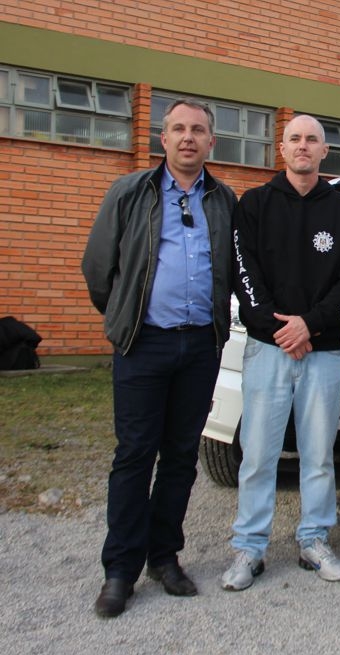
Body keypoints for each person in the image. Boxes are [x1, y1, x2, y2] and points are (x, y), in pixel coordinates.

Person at [82, 98, 237, 618]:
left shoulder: (224, 199)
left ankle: (164, 556)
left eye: (198, 130)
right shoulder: (130, 193)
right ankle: (120, 570)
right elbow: (99, 269)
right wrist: (124, 317)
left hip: (199, 346)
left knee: (179, 456)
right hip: (143, 343)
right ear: (163, 139)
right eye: (178, 129)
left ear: (211, 141)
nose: (188, 137)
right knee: (133, 455)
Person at [221, 114, 340, 591]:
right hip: (267, 350)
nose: (304, 147)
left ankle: (314, 539)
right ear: (281, 149)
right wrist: (281, 329)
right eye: (295, 139)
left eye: (313, 140)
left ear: (326, 152)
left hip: (323, 353)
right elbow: (243, 274)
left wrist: (311, 325)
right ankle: (249, 547)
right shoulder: (255, 205)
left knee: (319, 454)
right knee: (259, 453)